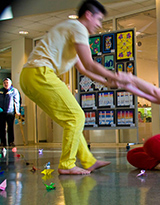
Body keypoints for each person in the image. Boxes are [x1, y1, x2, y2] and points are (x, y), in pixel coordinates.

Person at [20, 0, 127, 175]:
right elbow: (90, 63)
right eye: (98, 19)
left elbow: (83, 68)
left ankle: (88, 161)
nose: (99, 25)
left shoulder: (71, 31)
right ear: (88, 15)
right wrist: (115, 76)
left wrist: (106, 82)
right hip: (40, 73)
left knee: (70, 120)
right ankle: (67, 164)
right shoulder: (79, 28)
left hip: (30, 76)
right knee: (76, 116)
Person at [0, 77, 21, 147]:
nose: (6, 84)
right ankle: (3, 142)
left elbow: (17, 102)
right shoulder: (1, 91)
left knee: (10, 127)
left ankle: (11, 141)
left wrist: (17, 111)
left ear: (10, 83)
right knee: (2, 127)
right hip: (1, 112)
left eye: (7, 83)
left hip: (10, 112)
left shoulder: (14, 91)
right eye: (5, 83)